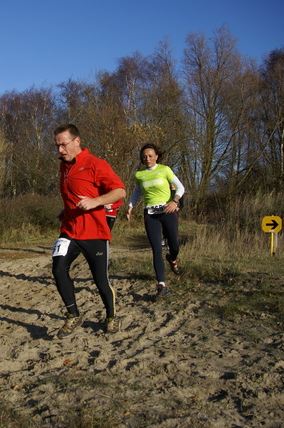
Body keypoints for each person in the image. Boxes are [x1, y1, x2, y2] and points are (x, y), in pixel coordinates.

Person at [51, 124, 127, 338]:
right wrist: (65, 210)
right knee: (58, 269)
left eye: (63, 145)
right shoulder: (64, 167)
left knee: (100, 280)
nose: (60, 150)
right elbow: (75, 193)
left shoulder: (95, 164)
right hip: (69, 230)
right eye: (57, 146)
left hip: (94, 232)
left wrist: (96, 201)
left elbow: (119, 191)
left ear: (77, 141)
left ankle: (111, 316)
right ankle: (73, 314)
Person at [127, 143, 185, 298]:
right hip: (150, 214)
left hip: (168, 210)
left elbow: (181, 188)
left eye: (150, 155)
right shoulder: (139, 175)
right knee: (156, 249)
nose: (147, 159)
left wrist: (175, 201)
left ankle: (172, 258)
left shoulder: (165, 169)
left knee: (174, 244)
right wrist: (131, 206)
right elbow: (137, 192)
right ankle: (161, 285)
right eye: (144, 156)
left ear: (157, 156)